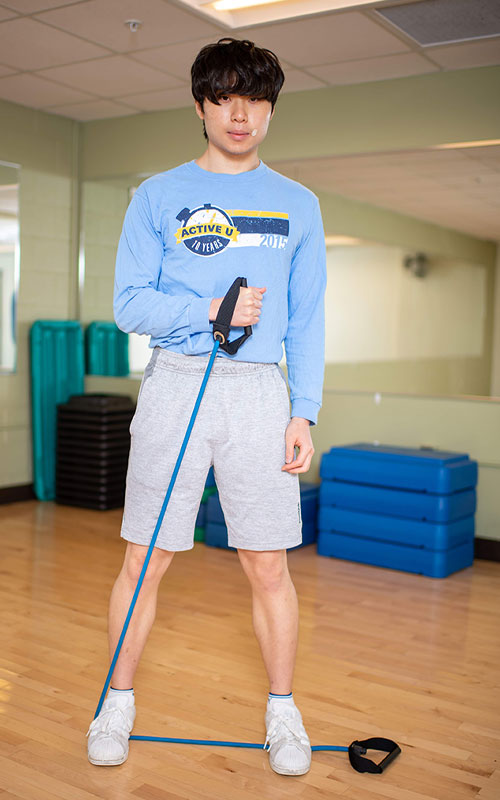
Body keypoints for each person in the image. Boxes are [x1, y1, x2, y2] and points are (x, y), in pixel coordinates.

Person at [87, 37, 326, 777]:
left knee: (268, 565)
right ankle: (117, 703)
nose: (240, 113)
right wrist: (210, 310)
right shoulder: (156, 196)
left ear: (271, 110)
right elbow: (128, 303)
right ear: (201, 107)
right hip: (177, 381)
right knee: (144, 559)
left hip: (261, 392)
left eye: (255, 99)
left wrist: (304, 411)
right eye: (224, 97)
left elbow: (309, 317)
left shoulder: (299, 205)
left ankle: (282, 713)